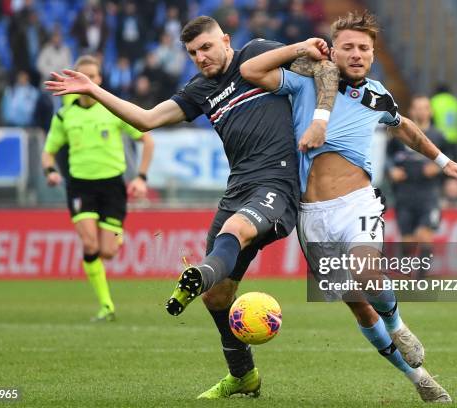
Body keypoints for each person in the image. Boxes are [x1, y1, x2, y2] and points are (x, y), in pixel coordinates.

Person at [45, 16, 337, 399]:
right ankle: (243, 375)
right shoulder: (200, 90)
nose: (201, 57)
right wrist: (94, 91)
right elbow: (147, 120)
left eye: (207, 48)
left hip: (277, 185)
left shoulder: (258, 54)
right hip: (237, 189)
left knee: (233, 232)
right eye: (193, 52)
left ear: (226, 41)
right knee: (217, 297)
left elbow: (323, 67)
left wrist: (313, 89)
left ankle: (199, 273)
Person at [240, 10, 457, 403]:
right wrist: (299, 48)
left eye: (363, 48)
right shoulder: (305, 82)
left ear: (372, 54)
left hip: (358, 203)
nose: (356, 54)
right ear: (333, 52)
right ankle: (418, 377)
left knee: (368, 272)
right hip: (311, 216)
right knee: (360, 309)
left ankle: (399, 325)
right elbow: (250, 70)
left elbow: (406, 129)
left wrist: (445, 162)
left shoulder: (377, 94)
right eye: (347, 47)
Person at [41, 55, 154, 322]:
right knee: (89, 243)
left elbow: (147, 141)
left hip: (112, 186)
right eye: (84, 76)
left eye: (93, 76)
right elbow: (48, 152)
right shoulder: (64, 114)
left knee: (108, 251)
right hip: (80, 186)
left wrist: (141, 178)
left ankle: (114, 240)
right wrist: (51, 172)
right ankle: (106, 306)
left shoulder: (114, 109)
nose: (88, 81)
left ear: (100, 79)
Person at [386, 95, 450, 264]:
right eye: (417, 107)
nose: (421, 111)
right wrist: (392, 169)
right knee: (407, 241)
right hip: (404, 195)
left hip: (429, 195)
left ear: (431, 111)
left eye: (425, 107)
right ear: (411, 111)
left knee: (424, 236)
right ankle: (406, 276)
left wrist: (439, 169)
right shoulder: (399, 135)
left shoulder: (439, 137)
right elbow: (387, 157)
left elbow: (451, 160)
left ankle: (421, 281)